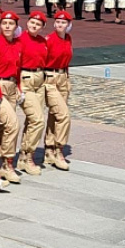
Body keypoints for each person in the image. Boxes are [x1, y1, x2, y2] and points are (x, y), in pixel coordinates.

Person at [0, 11, 23, 183]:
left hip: (11, 86)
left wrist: (19, 88)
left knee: (3, 127)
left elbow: (18, 69)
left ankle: (3, 164)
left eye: (11, 23)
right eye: (4, 23)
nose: (8, 26)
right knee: (10, 124)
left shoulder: (18, 44)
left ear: (16, 27)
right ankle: (1, 162)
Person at [17, 11, 48, 176]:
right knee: (38, 120)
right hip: (25, 78)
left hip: (39, 79)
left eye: (38, 24)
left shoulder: (43, 41)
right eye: (32, 23)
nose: (34, 26)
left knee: (32, 121)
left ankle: (23, 157)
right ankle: (28, 154)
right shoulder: (20, 39)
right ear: (27, 23)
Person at [43, 11, 73, 171]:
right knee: (63, 115)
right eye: (58, 22)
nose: (60, 25)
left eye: (63, 23)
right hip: (50, 77)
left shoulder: (68, 39)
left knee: (55, 115)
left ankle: (49, 149)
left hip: (63, 77)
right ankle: (59, 150)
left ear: (68, 25)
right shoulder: (49, 40)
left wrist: (67, 79)